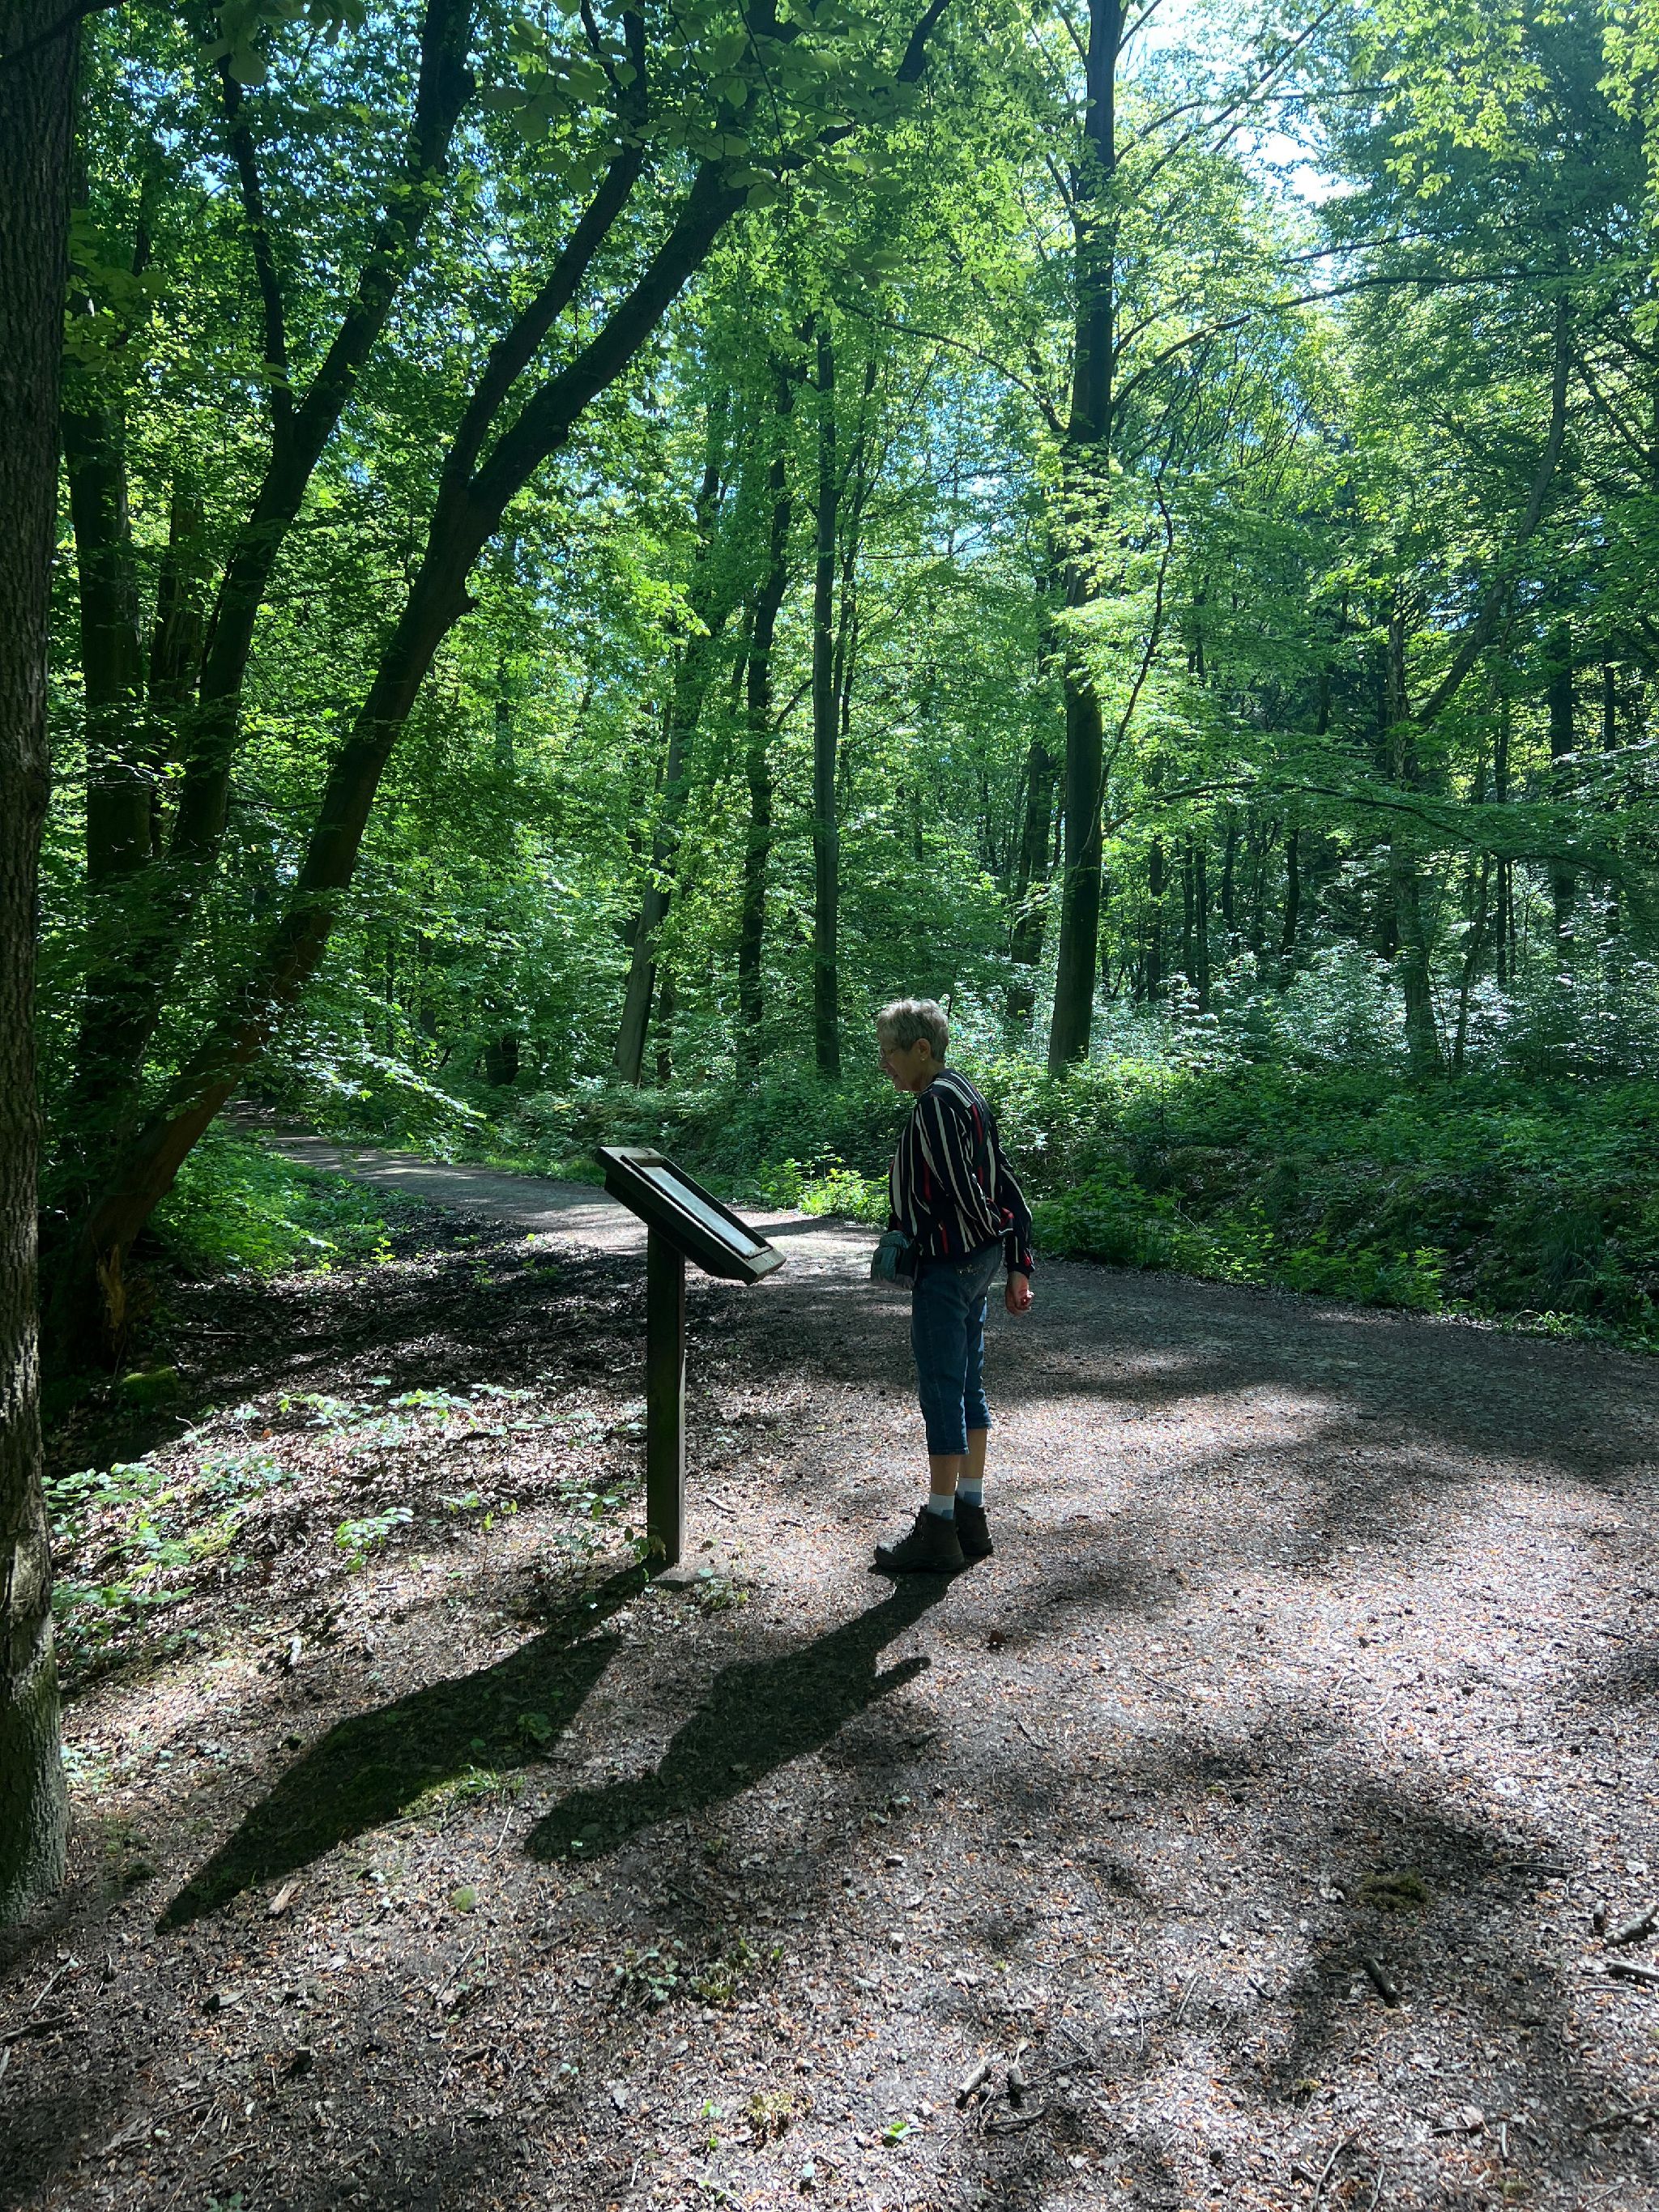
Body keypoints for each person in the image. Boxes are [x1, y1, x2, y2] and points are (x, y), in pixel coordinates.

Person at [872, 997, 1034, 1573]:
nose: (885, 1064)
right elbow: (1005, 1181)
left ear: (921, 1048)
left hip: (948, 1264)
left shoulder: (935, 1104)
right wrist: (1015, 1258)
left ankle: (939, 1528)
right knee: (967, 1384)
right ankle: (970, 1514)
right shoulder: (966, 1092)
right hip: (976, 1262)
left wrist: (990, 1236)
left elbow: (968, 1190)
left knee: (942, 1388)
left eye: (889, 1052)